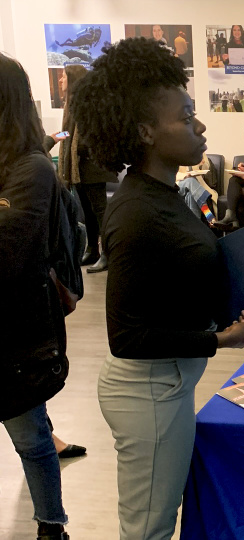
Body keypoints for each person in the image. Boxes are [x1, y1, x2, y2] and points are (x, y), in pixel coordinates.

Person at [72, 37, 244, 540]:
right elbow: (128, 337)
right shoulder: (136, 213)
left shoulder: (168, 193)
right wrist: (219, 341)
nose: (199, 125)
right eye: (185, 116)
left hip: (170, 384)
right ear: (145, 132)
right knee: (148, 529)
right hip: (148, 392)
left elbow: (184, 269)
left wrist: (234, 305)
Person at [0, 52, 71, 540]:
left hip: (14, 338)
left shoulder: (31, 169)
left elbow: (6, 258)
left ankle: (51, 526)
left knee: (31, 438)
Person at [44, 64, 117, 273]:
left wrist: (76, 145)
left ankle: (108, 254)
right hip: (80, 166)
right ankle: (92, 249)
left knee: (100, 211)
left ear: (73, 79)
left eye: (64, 77)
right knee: (87, 211)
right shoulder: (72, 103)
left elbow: (94, 133)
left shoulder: (89, 103)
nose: (60, 81)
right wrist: (59, 137)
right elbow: (71, 132)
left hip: (92, 165)